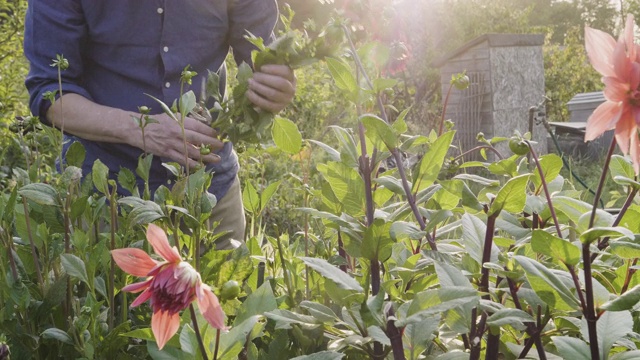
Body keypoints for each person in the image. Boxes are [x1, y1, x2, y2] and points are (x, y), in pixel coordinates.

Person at [24, 0, 296, 248]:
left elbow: (262, 61)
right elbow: (51, 92)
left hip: (210, 191)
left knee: (223, 301)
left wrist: (274, 87)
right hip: (106, 193)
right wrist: (142, 128)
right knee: (111, 301)